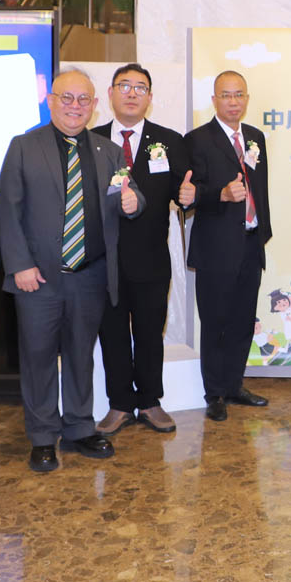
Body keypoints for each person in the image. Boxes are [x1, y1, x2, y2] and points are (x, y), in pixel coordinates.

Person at [0, 69, 144, 473]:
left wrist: (134, 202)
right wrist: (20, 265)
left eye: (83, 100)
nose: (75, 106)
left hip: (90, 276)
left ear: (95, 105)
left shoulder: (108, 151)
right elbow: (7, 210)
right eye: (67, 98)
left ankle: (79, 428)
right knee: (39, 358)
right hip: (38, 278)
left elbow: (128, 192)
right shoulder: (24, 146)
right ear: (51, 101)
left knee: (80, 356)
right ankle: (43, 436)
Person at [92, 64, 190, 435]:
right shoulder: (92, 140)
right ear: (111, 93)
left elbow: (185, 190)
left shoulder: (169, 141)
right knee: (112, 334)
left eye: (140, 87)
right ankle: (119, 404)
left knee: (150, 333)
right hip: (104, 260)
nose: (132, 93)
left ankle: (150, 401)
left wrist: (190, 195)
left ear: (150, 97)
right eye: (125, 86)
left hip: (151, 258)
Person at [183, 70, 272, 422]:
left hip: (250, 243)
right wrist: (219, 194)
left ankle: (235, 385)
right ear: (214, 100)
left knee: (242, 321)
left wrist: (262, 231)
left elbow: (260, 187)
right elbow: (188, 196)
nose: (233, 101)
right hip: (215, 248)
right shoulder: (197, 140)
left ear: (246, 99)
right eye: (226, 95)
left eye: (239, 95)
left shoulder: (255, 137)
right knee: (215, 322)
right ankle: (215, 393)